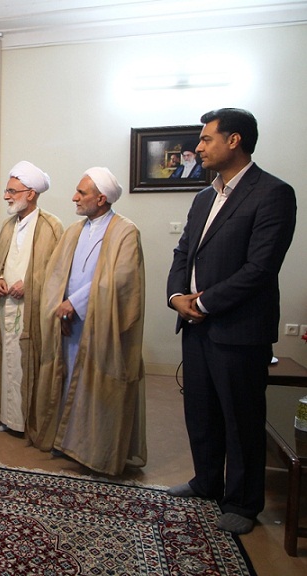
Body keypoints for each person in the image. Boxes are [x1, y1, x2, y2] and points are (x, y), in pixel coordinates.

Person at [166, 108, 297, 535]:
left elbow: (260, 268)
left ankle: (242, 502)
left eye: (206, 139)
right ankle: (206, 481)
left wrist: (205, 303)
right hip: (196, 326)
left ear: (234, 140)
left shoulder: (273, 193)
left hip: (239, 330)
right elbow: (184, 253)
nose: (199, 147)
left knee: (241, 418)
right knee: (201, 410)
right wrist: (177, 297)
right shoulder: (204, 197)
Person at [32, 167, 146, 476]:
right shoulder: (74, 230)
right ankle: (66, 441)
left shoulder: (125, 231)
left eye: (81, 193)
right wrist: (60, 307)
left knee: (96, 387)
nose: (74, 197)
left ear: (101, 198)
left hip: (102, 324)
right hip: (69, 322)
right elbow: (56, 273)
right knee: (68, 379)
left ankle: (95, 450)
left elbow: (121, 280)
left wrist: (76, 304)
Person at [0, 161, 62, 436]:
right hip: (6, 307)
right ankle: (5, 416)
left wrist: (30, 285)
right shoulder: (8, 226)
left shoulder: (51, 226)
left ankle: (27, 422)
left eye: (12, 191)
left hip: (32, 312)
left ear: (31, 194)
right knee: (6, 361)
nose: (6, 196)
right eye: (6, 191)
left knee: (25, 363)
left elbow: (58, 271)